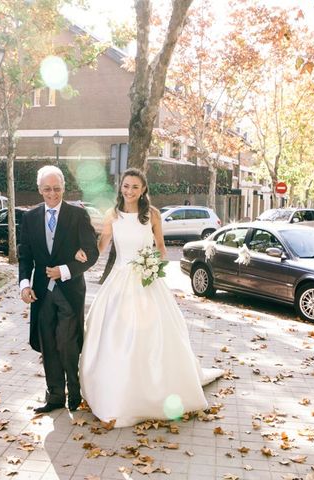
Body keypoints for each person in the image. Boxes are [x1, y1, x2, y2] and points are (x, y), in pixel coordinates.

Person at [76, 168, 222, 427]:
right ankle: (115, 393)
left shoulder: (152, 215)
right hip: (119, 281)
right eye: (125, 185)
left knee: (155, 334)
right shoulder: (113, 216)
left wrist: (153, 264)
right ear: (120, 187)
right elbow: (101, 247)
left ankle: (156, 390)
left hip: (147, 281)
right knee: (113, 333)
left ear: (143, 190)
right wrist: (83, 255)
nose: (129, 191)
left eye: (134, 187)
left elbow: (162, 248)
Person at [18, 165, 99, 414]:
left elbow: (92, 252)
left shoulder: (77, 215)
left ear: (63, 187)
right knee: (48, 344)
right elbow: (25, 257)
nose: (52, 193)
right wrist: (24, 285)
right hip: (41, 294)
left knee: (67, 343)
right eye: (47, 189)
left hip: (70, 291)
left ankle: (74, 394)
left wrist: (64, 270)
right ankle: (54, 397)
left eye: (56, 188)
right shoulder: (29, 218)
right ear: (40, 190)